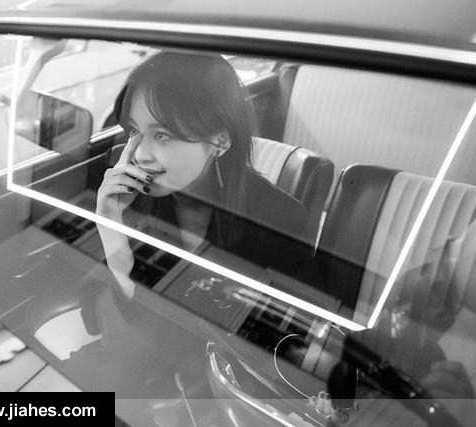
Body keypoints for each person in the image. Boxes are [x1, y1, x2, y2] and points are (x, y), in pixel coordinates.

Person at [63, 51, 322, 402]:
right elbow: (105, 310)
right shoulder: (131, 198)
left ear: (220, 140)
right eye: (135, 131)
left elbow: (291, 351)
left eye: (162, 135)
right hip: (150, 371)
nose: (139, 154)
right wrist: (110, 229)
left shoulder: (280, 220)